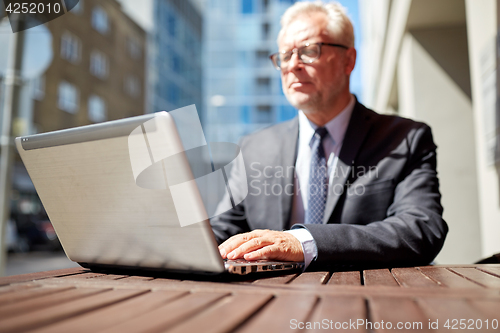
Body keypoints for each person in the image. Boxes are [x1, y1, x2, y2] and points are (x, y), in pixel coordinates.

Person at [211, 1, 448, 270]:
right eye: (285, 55)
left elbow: (420, 228)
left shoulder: (405, 139)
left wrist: (303, 242)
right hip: (272, 300)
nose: (293, 65)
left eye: (309, 51)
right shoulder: (253, 147)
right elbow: (223, 230)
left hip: (368, 300)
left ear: (349, 60)